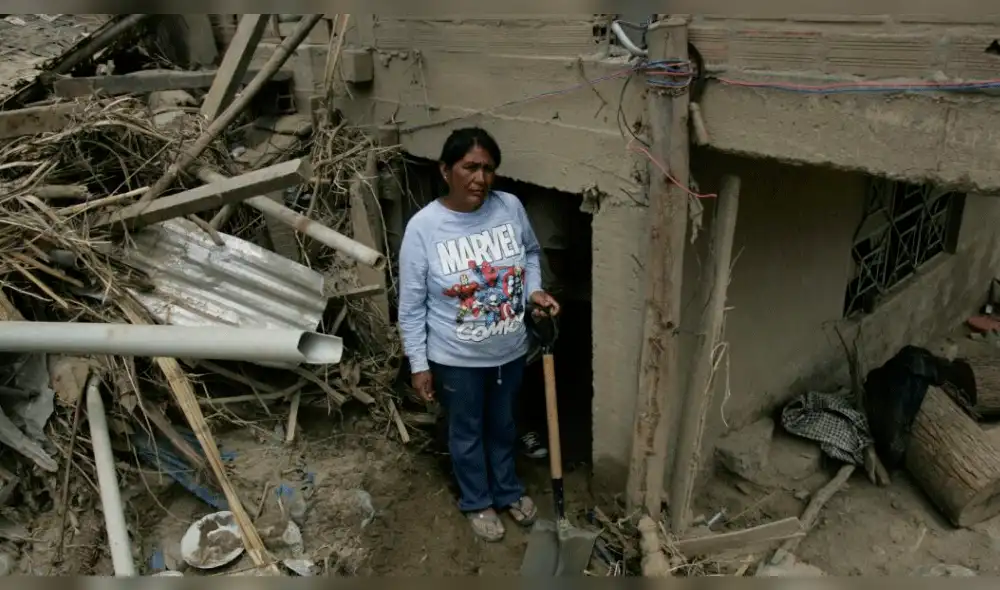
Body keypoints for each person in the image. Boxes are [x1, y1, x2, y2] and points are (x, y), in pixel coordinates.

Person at [398, 126, 561, 542]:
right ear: (445, 170)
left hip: (510, 349)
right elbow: (412, 305)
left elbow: (528, 253)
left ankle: (507, 491)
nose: (480, 178)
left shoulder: (509, 206)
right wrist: (419, 364)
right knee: (466, 432)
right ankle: (477, 501)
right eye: (470, 167)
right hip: (456, 360)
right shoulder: (425, 228)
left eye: (488, 168)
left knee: (503, 425)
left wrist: (534, 291)